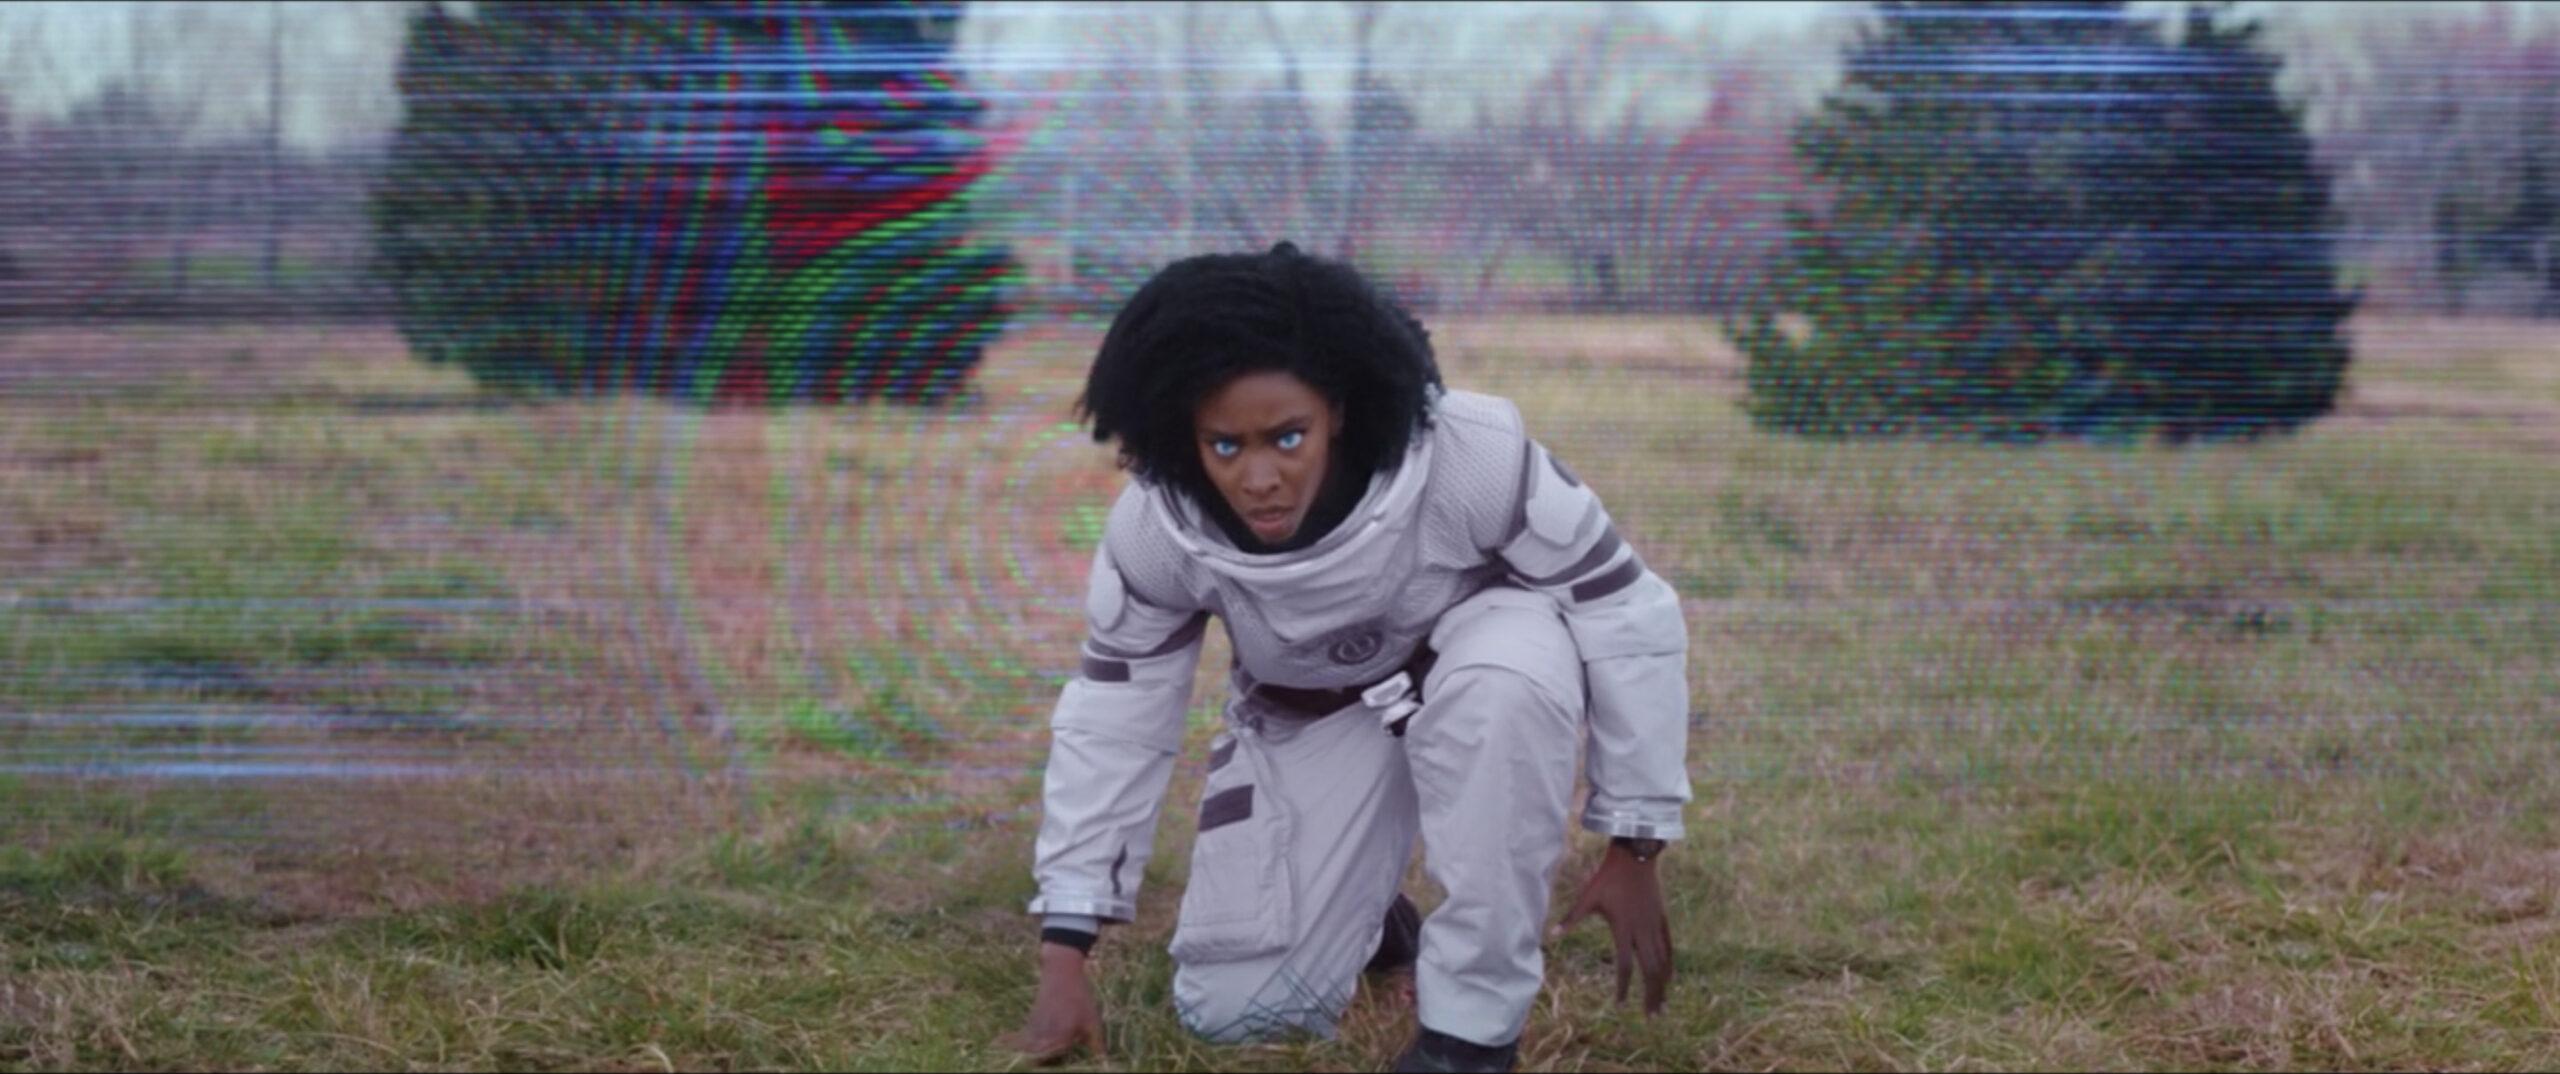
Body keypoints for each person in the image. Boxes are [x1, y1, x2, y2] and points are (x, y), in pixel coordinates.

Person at [999, 242, 1692, 1073]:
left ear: (1337, 410)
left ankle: (1470, 1035)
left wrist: (1635, 840)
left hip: (1480, 666)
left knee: (1502, 684)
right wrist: (1065, 950)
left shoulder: (1472, 458)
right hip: (1315, 709)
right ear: (1187, 436)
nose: (1260, 478)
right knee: (1239, 1011)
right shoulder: (1157, 531)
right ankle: (1376, 918)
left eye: (1287, 437)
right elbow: (1115, 722)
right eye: (1227, 447)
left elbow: (1625, 608)